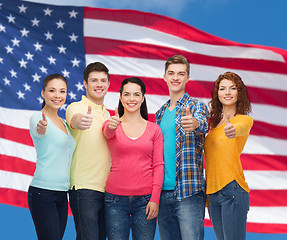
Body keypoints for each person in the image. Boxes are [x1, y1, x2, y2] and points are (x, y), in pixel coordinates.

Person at [102, 77, 164, 240]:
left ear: (143, 98)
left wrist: (155, 199)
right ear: (121, 97)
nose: (131, 99)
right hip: (114, 199)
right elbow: (107, 132)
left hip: (145, 201)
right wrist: (111, 125)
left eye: (136, 95)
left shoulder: (154, 129)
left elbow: (158, 165)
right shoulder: (112, 124)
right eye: (127, 94)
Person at [155, 55, 209, 240]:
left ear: (187, 78)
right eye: (171, 73)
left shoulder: (196, 107)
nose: (175, 77)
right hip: (162, 194)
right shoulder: (160, 113)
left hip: (189, 192)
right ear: (165, 77)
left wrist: (194, 123)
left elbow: (203, 125)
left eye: (181, 74)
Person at [204, 71, 253, 240]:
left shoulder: (243, 120)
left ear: (239, 92)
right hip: (213, 193)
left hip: (232, 189)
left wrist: (233, 129)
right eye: (222, 88)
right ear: (217, 93)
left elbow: (240, 128)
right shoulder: (213, 124)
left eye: (232, 88)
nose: (227, 92)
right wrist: (209, 199)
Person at [28, 74, 76, 240]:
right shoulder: (38, 118)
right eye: (52, 91)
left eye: (62, 91)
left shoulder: (64, 123)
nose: (57, 95)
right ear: (43, 93)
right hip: (43, 193)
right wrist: (41, 128)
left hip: (62, 194)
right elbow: (38, 128)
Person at [66, 62, 111, 240]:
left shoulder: (110, 115)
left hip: (108, 190)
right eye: (94, 80)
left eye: (102, 80)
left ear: (108, 84)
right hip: (84, 188)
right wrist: (81, 121)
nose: (99, 84)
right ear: (85, 83)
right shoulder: (76, 108)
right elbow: (75, 120)